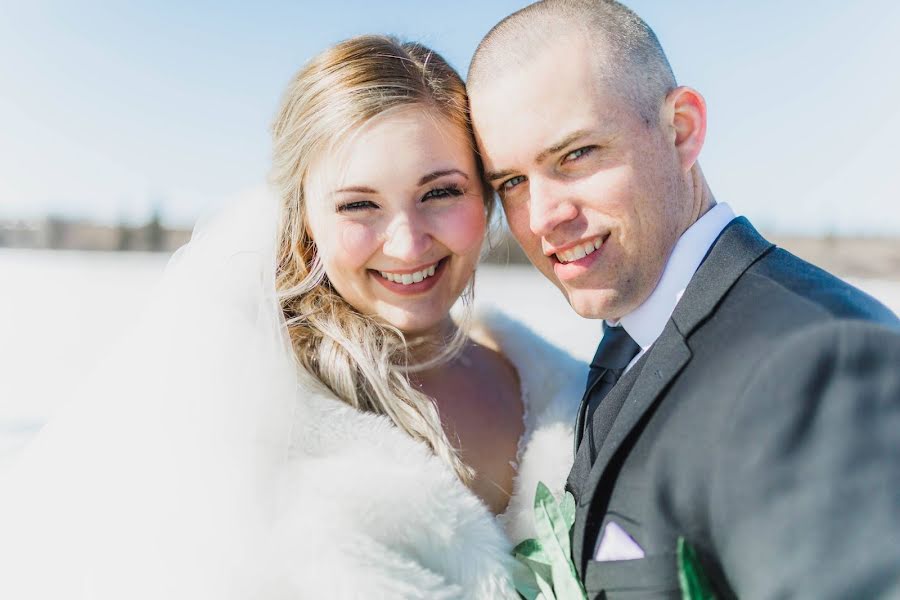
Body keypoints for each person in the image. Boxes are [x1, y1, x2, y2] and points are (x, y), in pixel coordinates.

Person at [0, 36, 585, 599]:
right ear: (305, 220)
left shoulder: (567, 388)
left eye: (440, 193)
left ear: (484, 196)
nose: (408, 244)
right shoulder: (245, 411)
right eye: (359, 204)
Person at [467, 1, 900, 598]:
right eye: (511, 182)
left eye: (575, 155)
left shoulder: (819, 363)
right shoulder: (625, 345)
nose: (543, 217)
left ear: (681, 130)